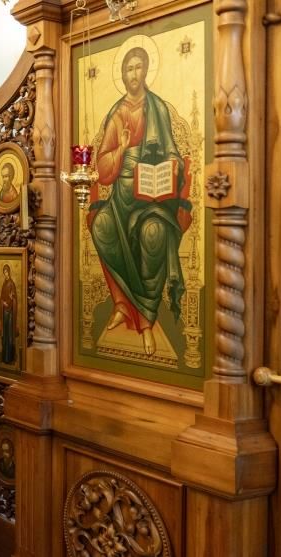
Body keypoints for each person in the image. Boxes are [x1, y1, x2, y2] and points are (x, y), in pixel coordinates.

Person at [88, 46, 193, 356]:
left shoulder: (157, 108)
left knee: (153, 233)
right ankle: (122, 304)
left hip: (153, 196)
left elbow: (174, 153)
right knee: (101, 226)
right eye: (128, 69)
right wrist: (121, 149)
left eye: (138, 67)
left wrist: (170, 166)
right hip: (121, 197)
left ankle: (146, 318)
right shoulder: (117, 112)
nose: (134, 74)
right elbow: (102, 169)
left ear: (146, 71)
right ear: (123, 75)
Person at [0, 264, 18, 365]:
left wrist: (10, 300)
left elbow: (14, 298)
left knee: (9, 335)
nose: (5, 274)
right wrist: (3, 303)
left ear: (9, 272)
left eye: (6, 272)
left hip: (9, 313)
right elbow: (1, 298)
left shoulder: (11, 284)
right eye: (4, 272)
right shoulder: (4, 284)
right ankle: (4, 357)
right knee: (4, 335)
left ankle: (9, 357)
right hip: (4, 312)